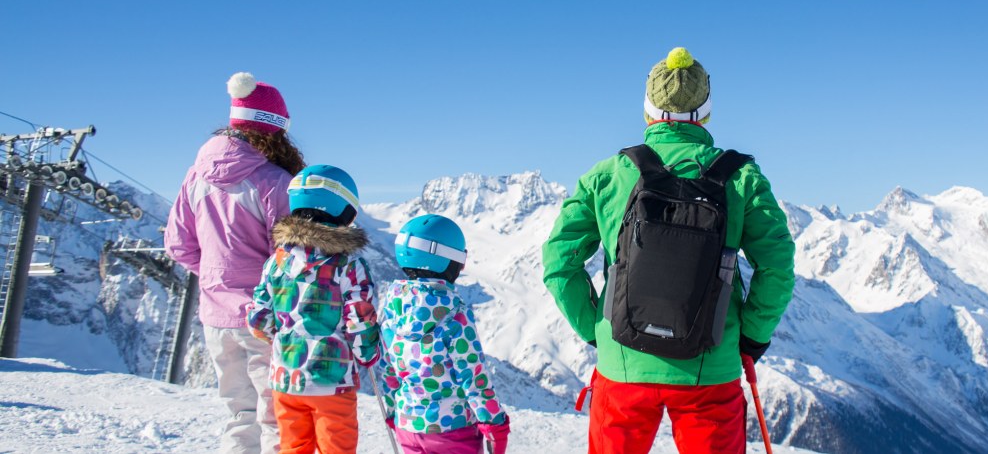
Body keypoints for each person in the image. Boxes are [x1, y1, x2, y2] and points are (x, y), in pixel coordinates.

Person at [542, 47, 796, 454]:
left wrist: (596, 327)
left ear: (648, 111)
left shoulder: (607, 175)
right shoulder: (742, 178)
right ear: (706, 112)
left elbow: (559, 262)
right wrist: (751, 337)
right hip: (710, 371)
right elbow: (778, 266)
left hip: (622, 366)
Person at [166, 72, 305, 454]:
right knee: (276, 414)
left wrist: (216, 277)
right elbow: (291, 259)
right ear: (276, 129)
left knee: (239, 415)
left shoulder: (196, 175)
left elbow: (178, 245)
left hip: (215, 317)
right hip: (265, 318)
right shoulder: (275, 182)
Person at [246, 164, 380, 454]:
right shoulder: (349, 266)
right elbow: (359, 322)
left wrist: (285, 339)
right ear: (344, 212)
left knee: (293, 448)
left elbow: (258, 319)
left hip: (286, 380)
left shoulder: (275, 263)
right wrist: (367, 353)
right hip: (332, 383)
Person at [376, 214, 511, 454]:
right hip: (452, 430)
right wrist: (493, 422)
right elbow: (473, 375)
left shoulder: (393, 307)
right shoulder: (454, 314)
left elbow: (389, 369)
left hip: (408, 425)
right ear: (451, 262)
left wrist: (393, 409)